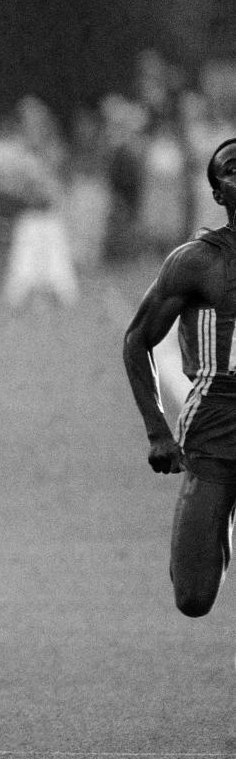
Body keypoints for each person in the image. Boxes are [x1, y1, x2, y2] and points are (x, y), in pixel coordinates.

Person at [124, 137, 236, 621]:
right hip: (216, 423)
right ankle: (218, 529)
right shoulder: (198, 261)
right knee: (193, 598)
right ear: (217, 194)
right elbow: (137, 340)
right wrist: (157, 431)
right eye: (233, 170)